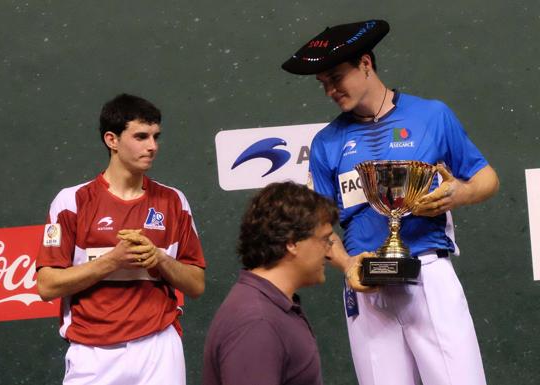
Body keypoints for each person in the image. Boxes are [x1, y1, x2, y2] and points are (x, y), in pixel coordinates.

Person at [281, 20, 499, 385]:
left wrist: (459, 194)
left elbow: (486, 178)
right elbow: (316, 226)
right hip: (365, 284)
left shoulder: (432, 115)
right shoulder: (326, 143)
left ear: (366, 63)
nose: (331, 91)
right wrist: (349, 266)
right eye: (323, 84)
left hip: (428, 273)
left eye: (336, 77)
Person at [36, 93, 206, 385]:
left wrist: (159, 259)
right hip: (92, 352)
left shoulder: (174, 202)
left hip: (158, 347)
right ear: (111, 140)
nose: (152, 146)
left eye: (156, 136)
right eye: (141, 136)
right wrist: (112, 261)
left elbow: (196, 285)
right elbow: (47, 285)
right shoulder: (71, 202)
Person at [203, 181, 342, 385]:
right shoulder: (256, 323)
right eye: (324, 240)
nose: (330, 252)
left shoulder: (270, 308)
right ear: (292, 243)